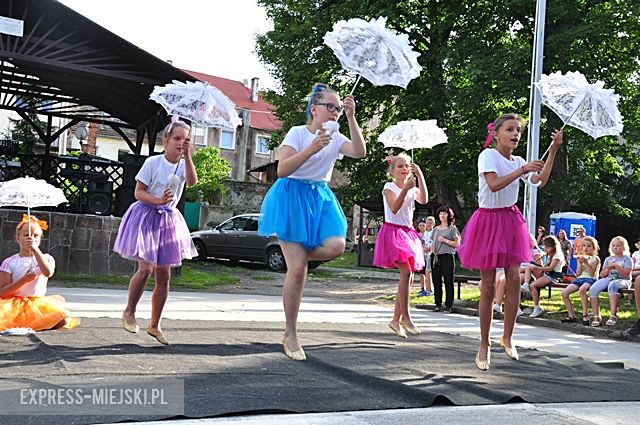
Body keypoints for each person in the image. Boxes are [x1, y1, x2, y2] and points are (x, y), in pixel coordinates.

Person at [258, 83, 366, 360]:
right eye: (330, 106)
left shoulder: (338, 136)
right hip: (291, 197)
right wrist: (313, 147)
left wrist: (352, 117)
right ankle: (290, 333)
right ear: (314, 109)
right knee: (297, 272)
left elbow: (360, 152)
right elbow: (282, 170)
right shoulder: (298, 133)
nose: (335, 112)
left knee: (337, 246)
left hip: (320, 198)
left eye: (339, 108)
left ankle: (297, 257)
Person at [456, 113, 563, 371]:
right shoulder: (488, 156)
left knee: (514, 278)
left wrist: (553, 151)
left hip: (510, 219)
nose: (515, 134)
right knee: (489, 285)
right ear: (496, 134)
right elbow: (493, 185)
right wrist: (522, 170)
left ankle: (508, 337)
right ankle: (484, 343)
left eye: (518, 131)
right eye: (510, 130)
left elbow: (539, 181)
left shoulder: (519, 160)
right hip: (487, 222)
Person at [113, 118, 198, 345]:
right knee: (146, 268)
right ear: (166, 140)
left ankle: (155, 324)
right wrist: (158, 200)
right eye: (177, 138)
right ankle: (130, 311)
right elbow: (139, 192)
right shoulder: (153, 162)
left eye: (186, 140)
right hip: (146, 215)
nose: (181, 143)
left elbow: (193, 181)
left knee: (164, 275)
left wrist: (188, 157)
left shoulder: (182, 165)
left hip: (168, 220)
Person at [374, 153, 428, 338]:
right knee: (406, 272)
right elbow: (394, 208)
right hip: (393, 232)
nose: (404, 169)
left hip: (408, 232)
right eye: (400, 166)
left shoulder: (411, 188)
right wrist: (406, 189)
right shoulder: (389, 187)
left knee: (410, 275)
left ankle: (395, 320)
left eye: (407, 166)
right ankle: (406, 316)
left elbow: (424, 200)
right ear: (392, 170)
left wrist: (420, 177)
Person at [0, 215, 79, 332]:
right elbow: (2, 292)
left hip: (37, 303)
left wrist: (36, 250)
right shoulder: (10, 262)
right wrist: (24, 280)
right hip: (13, 304)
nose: (31, 238)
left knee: (64, 319)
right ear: (18, 238)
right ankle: (25, 324)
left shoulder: (47, 258)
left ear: (40, 238)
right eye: (26, 235)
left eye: (35, 236)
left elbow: (48, 273)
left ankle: (35, 323)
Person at [588, 236, 632, 327]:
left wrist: (616, 266)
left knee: (613, 285)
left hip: (623, 280)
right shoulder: (608, 259)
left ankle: (613, 316)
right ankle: (596, 316)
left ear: (624, 247)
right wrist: (608, 268)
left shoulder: (627, 259)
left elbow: (626, 274)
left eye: (618, 245)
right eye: (613, 245)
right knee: (593, 288)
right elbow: (602, 275)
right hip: (609, 278)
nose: (615, 247)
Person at [560, 236, 600, 325]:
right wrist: (579, 263)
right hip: (580, 279)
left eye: (589, 246)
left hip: (591, 279)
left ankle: (585, 314)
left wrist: (585, 263)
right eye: (584, 246)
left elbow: (592, 274)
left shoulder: (595, 259)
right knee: (564, 293)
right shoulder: (581, 257)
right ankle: (571, 315)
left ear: (594, 248)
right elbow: (578, 274)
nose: (586, 248)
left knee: (582, 289)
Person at [430, 206, 460, 313]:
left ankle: (448, 305)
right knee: (436, 280)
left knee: (448, 280)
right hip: (436, 256)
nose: (442, 215)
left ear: (449, 215)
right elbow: (432, 243)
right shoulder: (435, 229)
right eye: (441, 213)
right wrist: (432, 254)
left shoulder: (452, 229)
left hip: (447, 255)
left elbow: (457, 243)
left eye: (444, 214)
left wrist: (445, 240)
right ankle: (437, 303)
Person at [527, 235, 566, 318]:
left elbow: (550, 268)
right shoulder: (550, 254)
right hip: (548, 274)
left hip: (553, 276)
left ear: (552, 247)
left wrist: (537, 267)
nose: (544, 249)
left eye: (546, 247)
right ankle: (526, 284)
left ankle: (537, 307)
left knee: (533, 285)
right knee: (529, 267)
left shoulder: (557, 255)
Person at [416, 216, 435, 297]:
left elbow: (435, 243)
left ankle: (430, 289)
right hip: (425, 255)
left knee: (429, 272)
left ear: (433, 224)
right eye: (427, 223)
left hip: (432, 254)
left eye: (430, 223)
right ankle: (426, 289)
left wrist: (429, 248)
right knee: (426, 272)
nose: (428, 225)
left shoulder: (434, 232)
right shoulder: (426, 233)